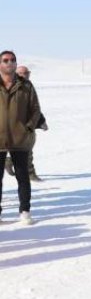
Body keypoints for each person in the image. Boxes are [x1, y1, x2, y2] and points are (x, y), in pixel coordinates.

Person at [0, 51, 42, 225]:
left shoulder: (26, 86)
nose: (10, 63)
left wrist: (29, 127)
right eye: (5, 60)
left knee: (23, 176)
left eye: (13, 60)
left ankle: (25, 211)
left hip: (20, 139)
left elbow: (35, 109)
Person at [4, 65, 47, 182]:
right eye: (23, 73)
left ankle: (17, 166)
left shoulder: (28, 86)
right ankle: (22, 169)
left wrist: (41, 121)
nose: (26, 75)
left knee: (27, 149)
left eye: (27, 73)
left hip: (27, 126)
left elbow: (34, 107)